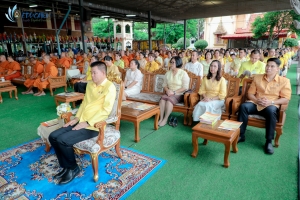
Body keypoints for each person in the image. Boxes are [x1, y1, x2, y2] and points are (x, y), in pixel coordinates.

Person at [49, 61, 116, 184]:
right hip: (81, 119)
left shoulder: (109, 87)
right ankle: (66, 167)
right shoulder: (90, 85)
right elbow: (84, 103)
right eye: (91, 72)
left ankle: (74, 168)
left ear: (103, 73)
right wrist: (76, 118)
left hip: (94, 126)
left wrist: (87, 123)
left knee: (63, 140)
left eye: (94, 73)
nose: (92, 75)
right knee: (53, 136)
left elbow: (106, 111)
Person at [237, 58, 291, 154]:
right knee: (243, 107)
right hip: (256, 102)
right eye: (267, 65)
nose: (268, 68)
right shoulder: (257, 77)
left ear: (277, 69)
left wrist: (271, 102)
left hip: (271, 105)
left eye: (272, 66)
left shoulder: (284, 81)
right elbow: (250, 94)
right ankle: (241, 135)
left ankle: (269, 141)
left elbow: (286, 98)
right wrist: (257, 100)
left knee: (271, 111)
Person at [158, 56, 190, 127]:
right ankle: (161, 118)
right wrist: (167, 91)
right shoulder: (168, 73)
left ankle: (165, 119)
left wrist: (174, 92)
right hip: (169, 92)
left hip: (179, 93)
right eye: (171, 62)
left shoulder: (183, 73)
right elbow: (164, 85)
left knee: (169, 100)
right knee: (162, 99)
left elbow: (185, 87)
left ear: (178, 63)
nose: (171, 64)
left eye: (173, 62)